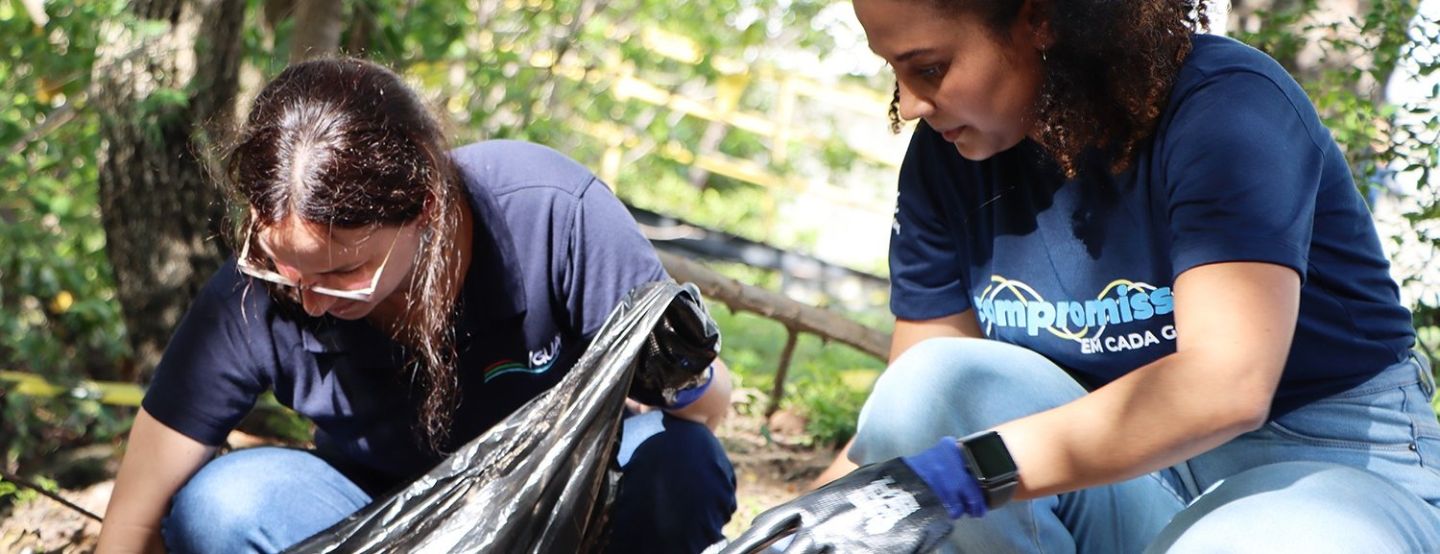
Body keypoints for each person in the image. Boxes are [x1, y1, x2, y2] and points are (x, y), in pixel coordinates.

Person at [724, 0, 1440, 552]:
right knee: (929, 387)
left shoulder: (1227, 112)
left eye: (930, 68)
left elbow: (1223, 387)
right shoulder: (948, 161)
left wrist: (958, 476)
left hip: (1323, 474)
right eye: (896, 71)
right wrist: (789, 529)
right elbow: (912, 426)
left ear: (1038, 18)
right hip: (1123, 479)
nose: (908, 103)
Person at [96, 58, 736, 554]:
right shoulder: (255, 292)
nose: (307, 299)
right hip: (390, 522)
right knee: (223, 503)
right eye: (280, 263)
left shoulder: (548, 211)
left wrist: (673, 366)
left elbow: (705, 406)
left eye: (343, 270)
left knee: (679, 461)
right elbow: (133, 516)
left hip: (558, 506)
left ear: (424, 206)